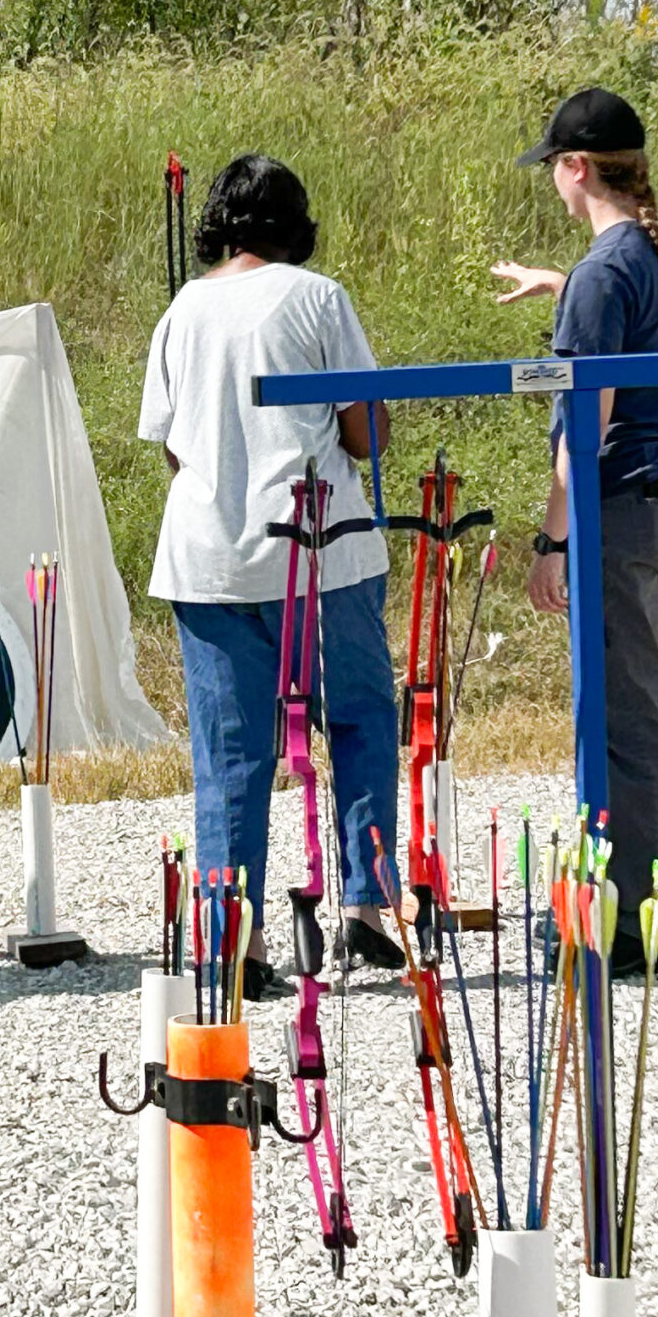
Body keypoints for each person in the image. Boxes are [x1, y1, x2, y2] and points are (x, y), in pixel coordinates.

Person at [140, 154, 402, 995]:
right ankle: (363, 908)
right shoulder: (317, 297)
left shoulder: (182, 310)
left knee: (231, 755)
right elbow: (365, 433)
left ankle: (234, 938)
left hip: (209, 559)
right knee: (359, 720)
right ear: (296, 226)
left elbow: (174, 445)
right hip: (319, 555)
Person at [493, 85, 658, 972]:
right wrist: (561, 285)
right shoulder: (640, 258)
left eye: (555, 170)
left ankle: (636, 922)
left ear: (577, 168)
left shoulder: (607, 272)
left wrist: (551, 538)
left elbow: (590, 413)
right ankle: (644, 907)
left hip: (612, 509)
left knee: (623, 724)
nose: (554, 186)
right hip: (655, 506)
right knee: (638, 711)